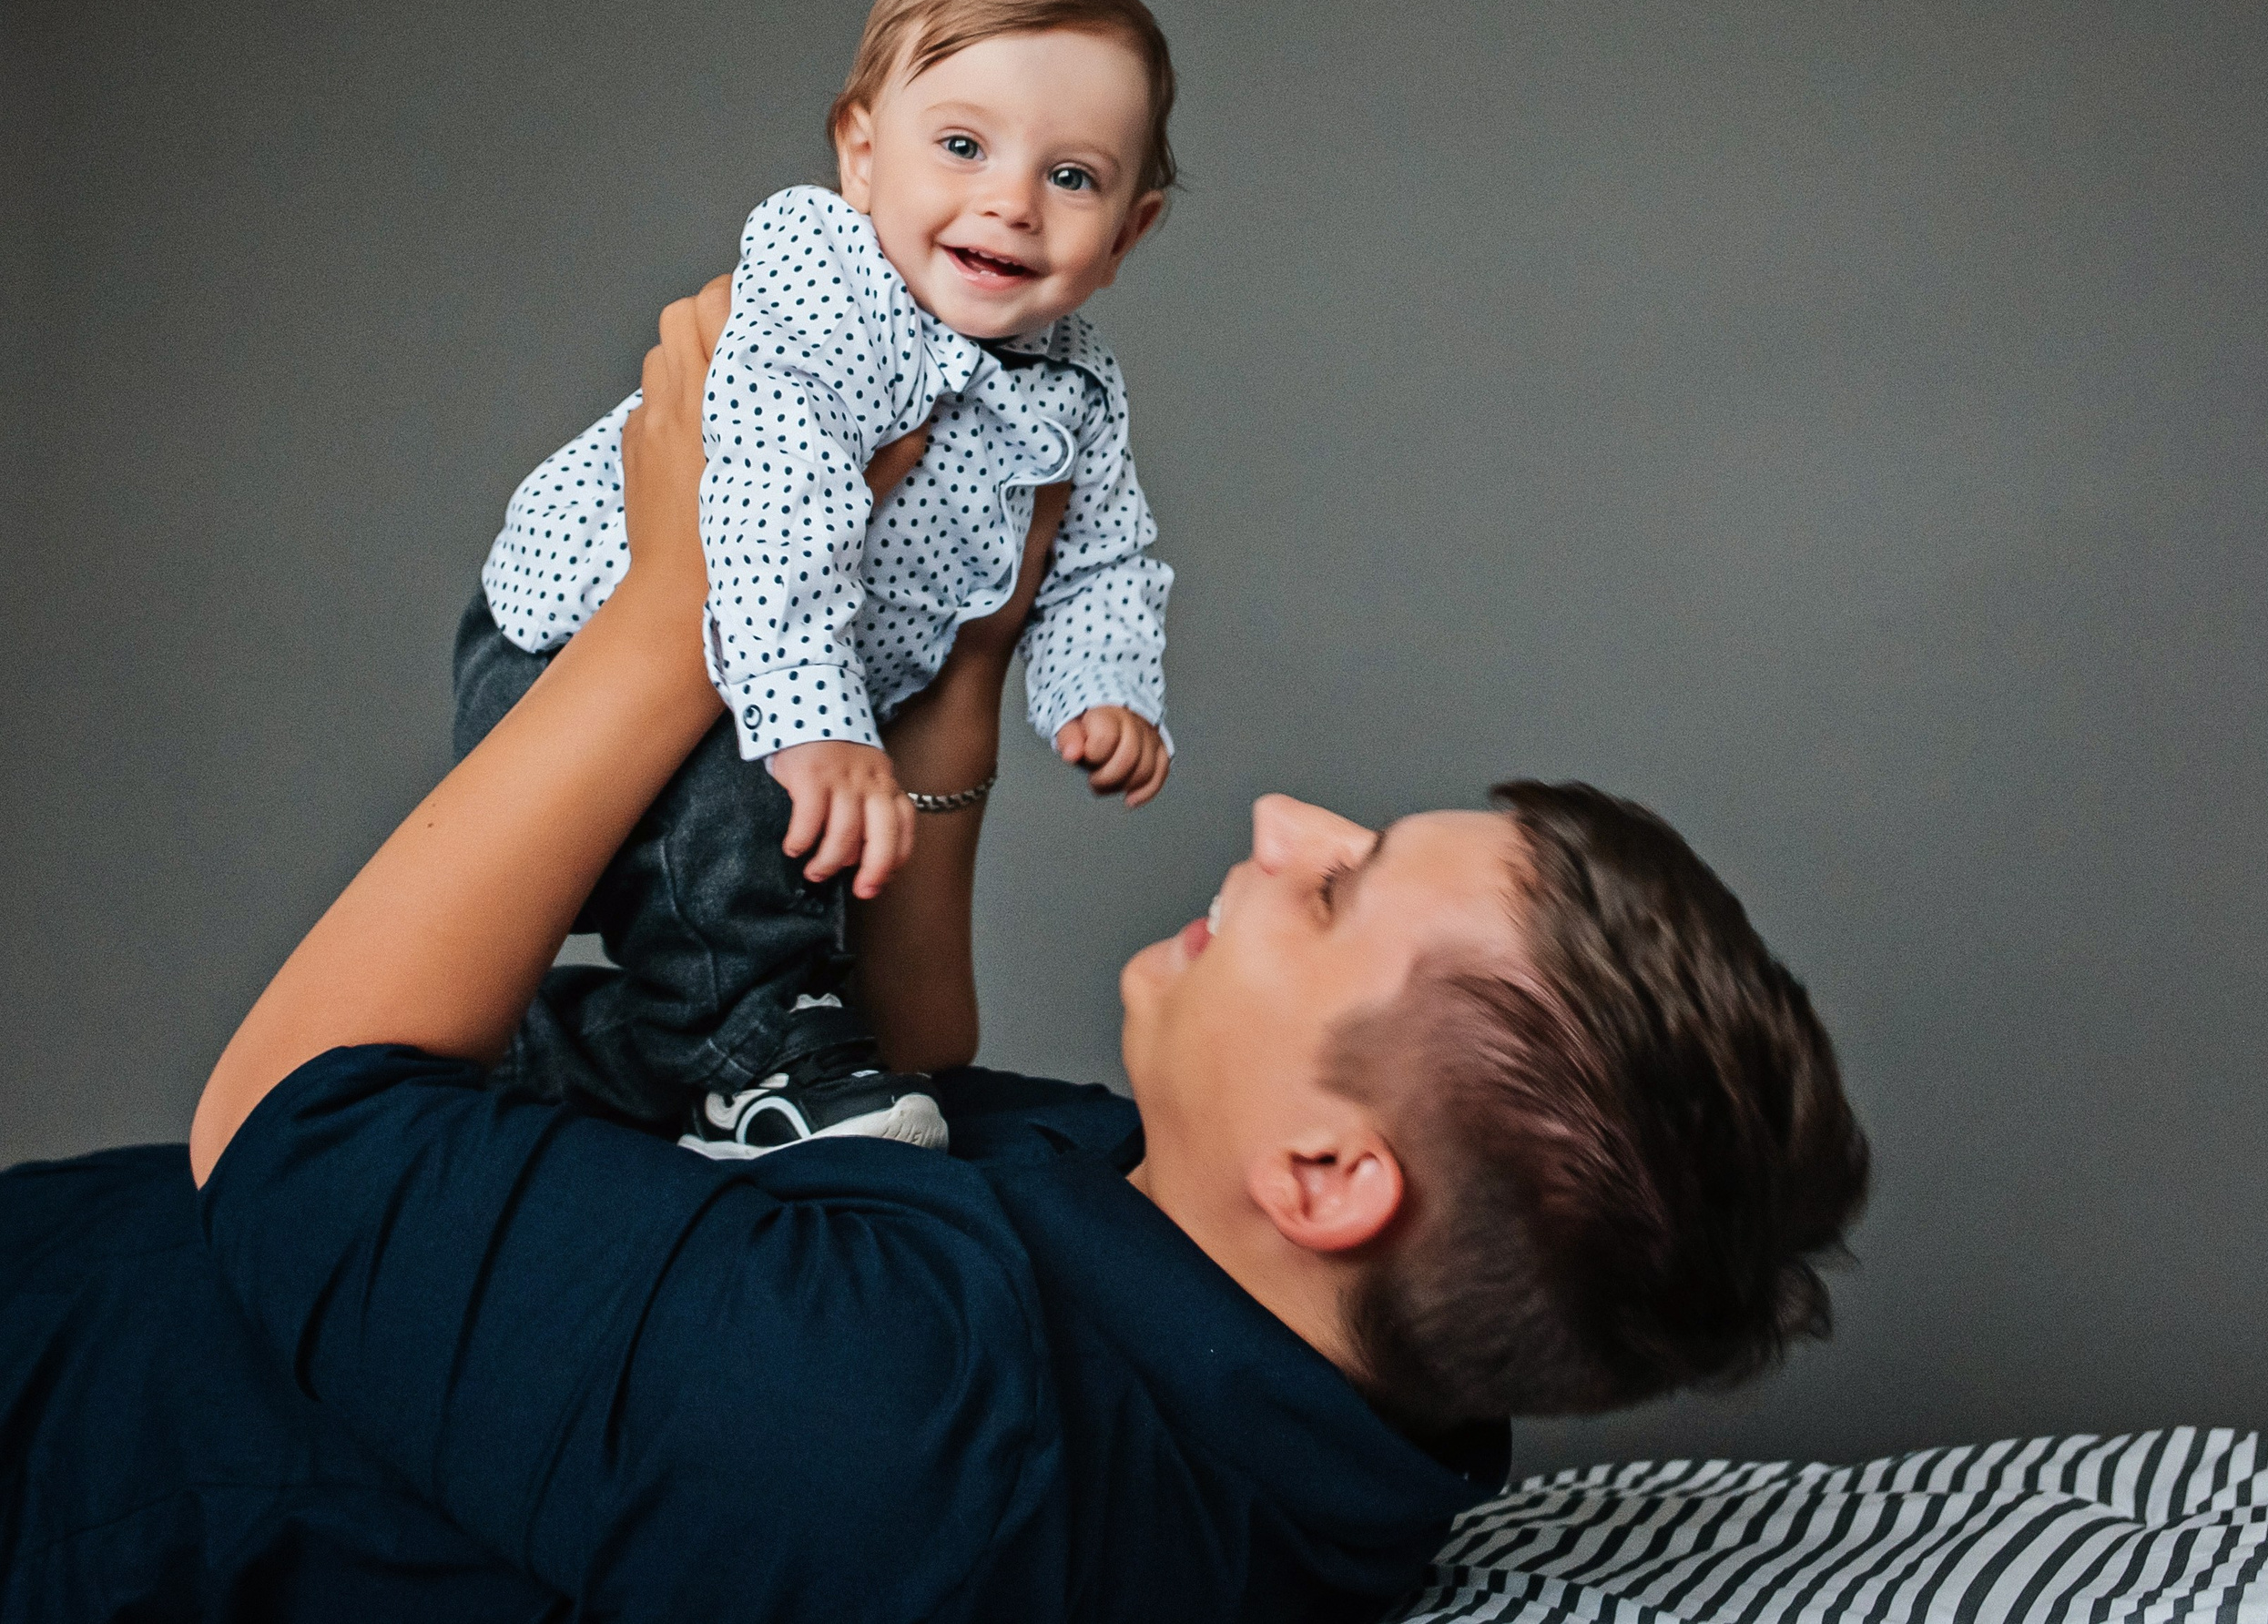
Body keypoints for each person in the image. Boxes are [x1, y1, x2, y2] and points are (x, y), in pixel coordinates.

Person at [0, 286, 1870, 1623]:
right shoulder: (1313, 1372)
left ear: (1326, 1173)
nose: (1285, 820)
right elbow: (876, 1096)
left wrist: (671, 614)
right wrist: (955, 711)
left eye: (1339, 887)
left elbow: (294, 1125)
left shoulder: (897, 1430)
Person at [464, 0, 1180, 1156]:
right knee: (757, 839)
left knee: (805, 911)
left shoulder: (1077, 393)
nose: (1009, 201)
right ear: (860, 152)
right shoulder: (822, 278)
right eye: (962, 146)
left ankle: (610, 1052)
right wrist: (817, 719)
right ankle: (761, 1065)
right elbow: (773, 503)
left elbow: (1107, 559)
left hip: (799, 697)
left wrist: (1100, 687)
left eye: (1071, 176)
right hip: (587, 653)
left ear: (1127, 233)